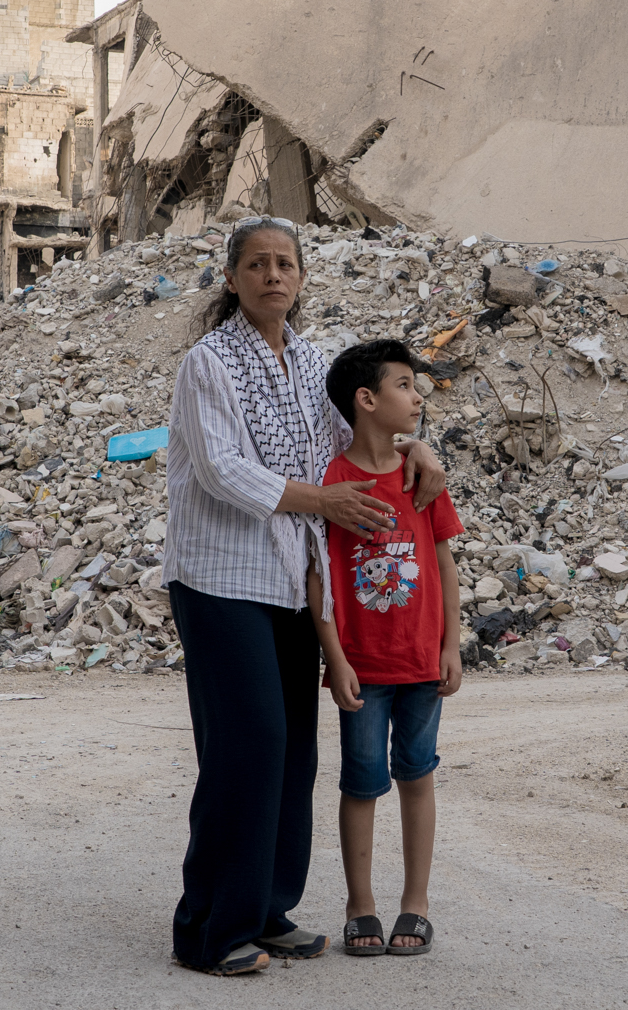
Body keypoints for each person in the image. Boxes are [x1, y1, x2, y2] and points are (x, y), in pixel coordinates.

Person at [163, 217, 448, 977]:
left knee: (292, 752)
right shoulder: (208, 363)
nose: (272, 276)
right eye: (256, 264)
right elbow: (224, 471)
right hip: (220, 578)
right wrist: (323, 504)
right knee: (245, 748)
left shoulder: (311, 360)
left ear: (300, 277)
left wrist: (418, 444)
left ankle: (266, 909)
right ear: (232, 279)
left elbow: (360, 432)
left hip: (294, 581)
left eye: (285, 263)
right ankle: (207, 929)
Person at [308, 340, 462, 959]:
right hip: (363, 667)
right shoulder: (332, 483)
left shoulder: (421, 475)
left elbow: (445, 561)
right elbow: (318, 574)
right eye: (404, 384)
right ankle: (360, 906)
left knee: (418, 776)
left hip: (423, 660)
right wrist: (335, 658)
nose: (418, 395)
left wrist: (453, 644)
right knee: (362, 782)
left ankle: (416, 905)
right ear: (366, 400)